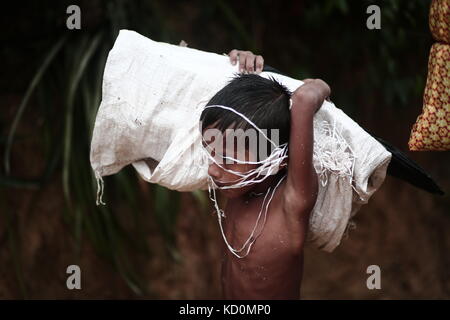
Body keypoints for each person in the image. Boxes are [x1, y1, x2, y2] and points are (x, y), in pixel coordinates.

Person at [200, 49, 330, 299]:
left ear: (276, 160)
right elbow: (232, 109)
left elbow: (304, 101)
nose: (212, 169)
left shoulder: (290, 205)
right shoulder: (238, 188)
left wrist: (311, 87)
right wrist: (242, 66)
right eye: (211, 154)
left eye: (227, 158)